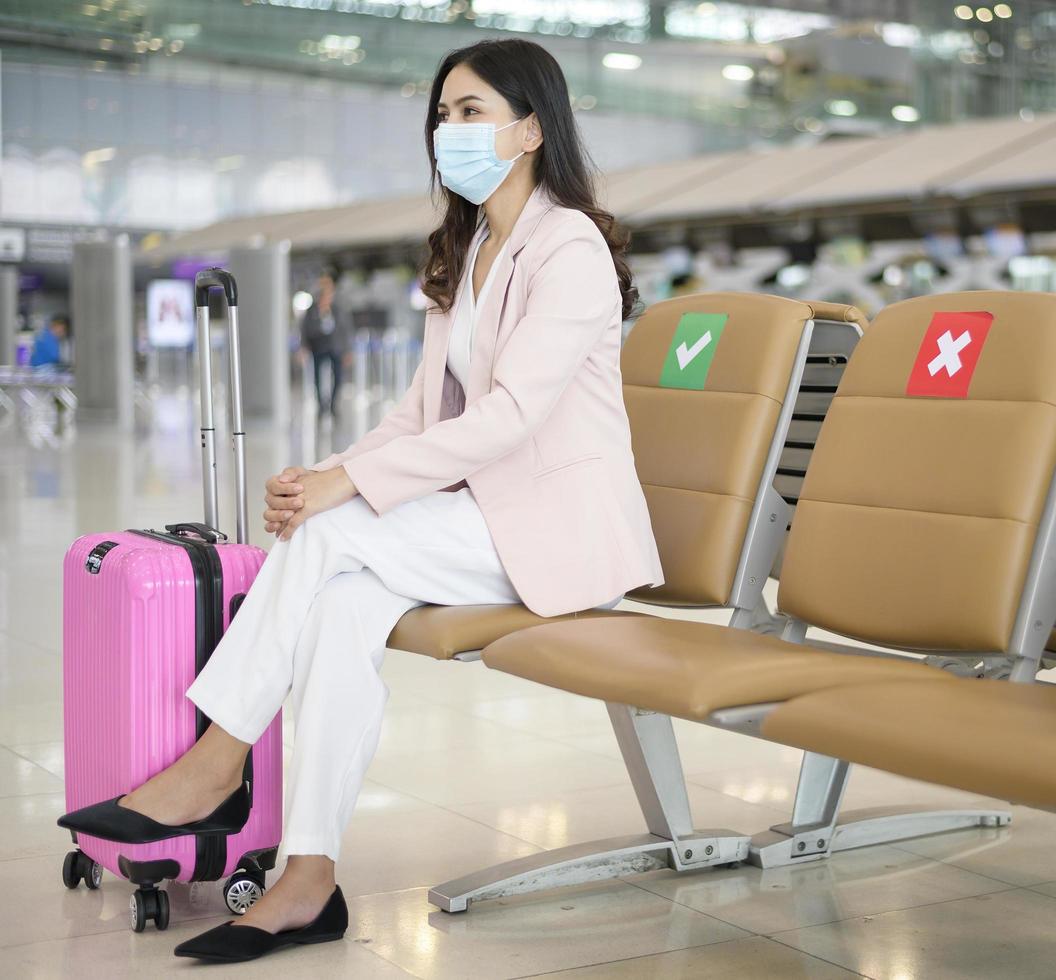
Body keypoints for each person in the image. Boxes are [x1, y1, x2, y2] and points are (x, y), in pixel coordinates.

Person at [58, 38, 663, 963]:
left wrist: (345, 490)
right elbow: (417, 416)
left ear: (531, 129)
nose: (447, 129)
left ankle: (216, 759)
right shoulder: (471, 252)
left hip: (556, 536)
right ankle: (309, 877)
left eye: (470, 111)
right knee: (338, 606)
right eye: (442, 113)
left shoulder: (567, 245)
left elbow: (509, 417)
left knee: (339, 526)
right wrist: (326, 470)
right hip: (481, 523)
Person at [298, 271, 353, 418]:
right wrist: (303, 347)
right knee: (317, 378)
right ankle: (321, 406)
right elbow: (304, 329)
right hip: (318, 347)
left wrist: (347, 350)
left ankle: (333, 404)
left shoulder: (338, 309)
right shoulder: (312, 310)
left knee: (338, 377)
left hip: (335, 348)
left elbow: (345, 330)